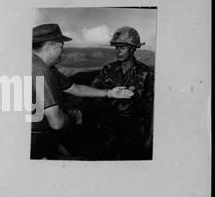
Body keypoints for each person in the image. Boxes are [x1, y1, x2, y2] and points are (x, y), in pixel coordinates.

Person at [31, 24, 133, 159]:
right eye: (61, 46)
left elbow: (76, 88)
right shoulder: (40, 70)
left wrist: (110, 93)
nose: (63, 51)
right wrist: (74, 118)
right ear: (49, 46)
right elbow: (57, 123)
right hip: (34, 142)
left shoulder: (47, 68)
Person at [91, 26, 154, 160]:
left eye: (122, 47)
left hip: (134, 134)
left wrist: (150, 136)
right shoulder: (107, 69)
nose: (118, 51)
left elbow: (152, 107)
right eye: (116, 47)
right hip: (107, 132)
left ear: (132, 49)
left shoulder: (146, 73)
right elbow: (94, 93)